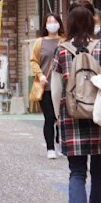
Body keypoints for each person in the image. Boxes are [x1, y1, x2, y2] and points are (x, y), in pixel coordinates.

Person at [51, 3, 101, 203]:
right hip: (100, 115)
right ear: (91, 23)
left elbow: (56, 89)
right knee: (99, 173)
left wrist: (58, 117)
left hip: (72, 115)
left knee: (77, 171)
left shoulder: (62, 50)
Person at [29, 15, 62, 159]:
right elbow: (34, 61)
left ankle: (60, 143)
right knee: (49, 118)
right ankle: (50, 148)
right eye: (49, 22)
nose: (52, 24)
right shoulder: (39, 42)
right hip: (46, 86)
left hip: (62, 87)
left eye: (54, 21)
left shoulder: (65, 41)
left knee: (61, 118)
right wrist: (40, 75)